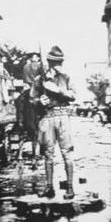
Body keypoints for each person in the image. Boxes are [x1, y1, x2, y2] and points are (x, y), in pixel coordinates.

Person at [31, 45, 76, 199]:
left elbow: (74, 95)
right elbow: (31, 99)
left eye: (60, 62)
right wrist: (39, 101)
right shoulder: (39, 80)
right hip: (47, 117)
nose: (59, 66)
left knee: (66, 152)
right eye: (56, 62)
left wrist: (58, 91)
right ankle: (49, 187)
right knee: (48, 153)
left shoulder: (66, 77)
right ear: (49, 62)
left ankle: (70, 188)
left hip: (63, 116)